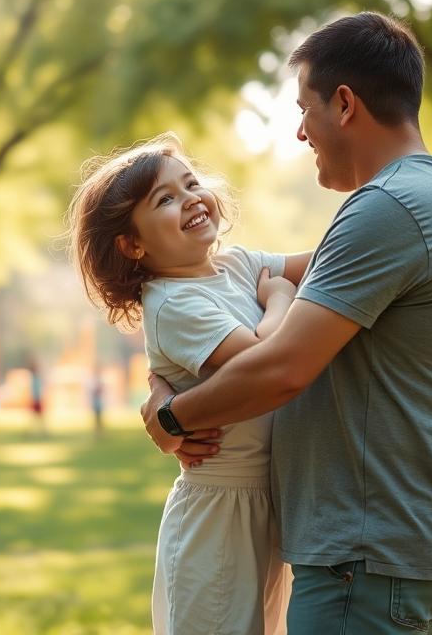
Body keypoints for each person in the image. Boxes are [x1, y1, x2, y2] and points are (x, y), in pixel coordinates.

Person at [141, 12, 432, 634]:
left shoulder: (388, 208)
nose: (301, 132)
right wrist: (165, 379)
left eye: (305, 109)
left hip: (369, 552)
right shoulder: (414, 199)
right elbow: (239, 307)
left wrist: (171, 419)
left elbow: (281, 369)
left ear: (346, 105)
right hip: (380, 548)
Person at [67, 132, 313, 635]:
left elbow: (329, 263)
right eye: (165, 199)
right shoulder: (172, 304)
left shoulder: (238, 265)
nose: (191, 199)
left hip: (267, 502)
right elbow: (265, 363)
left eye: (191, 183)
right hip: (219, 513)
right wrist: (283, 298)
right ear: (132, 244)